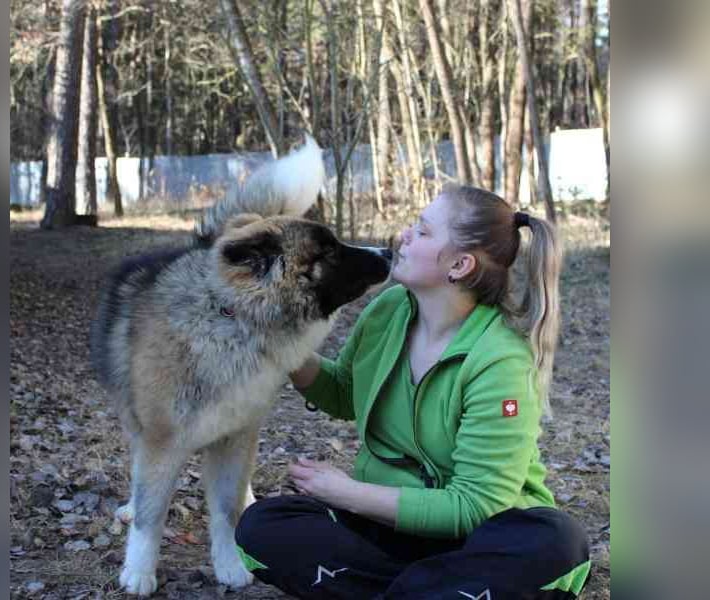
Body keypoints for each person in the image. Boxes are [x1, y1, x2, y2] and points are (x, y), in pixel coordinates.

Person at [235, 185, 591, 599]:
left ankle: (412, 589)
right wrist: (284, 345)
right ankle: (429, 591)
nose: (404, 235)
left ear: (459, 265)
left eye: (422, 231)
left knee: (556, 543)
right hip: (387, 528)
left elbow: (474, 506)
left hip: (479, 539)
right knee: (263, 525)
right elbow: (345, 393)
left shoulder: (499, 359)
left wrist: (348, 492)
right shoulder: (389, 310)